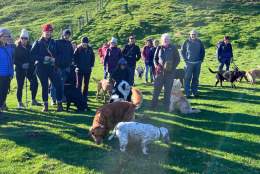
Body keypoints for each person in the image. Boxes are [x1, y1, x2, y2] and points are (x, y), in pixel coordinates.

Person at [31, 24, 63, 112]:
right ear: (43, 32)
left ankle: (59, 104)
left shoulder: (54, 42)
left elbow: (59, 54)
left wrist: (55, 59)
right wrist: (42, 58)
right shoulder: (37, 42)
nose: (48, 33)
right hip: (41, 68)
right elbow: (32, 55)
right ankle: (45, 106)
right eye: (47, 31)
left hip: (52, 67)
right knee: (44, 86)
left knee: (58, 85)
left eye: (50, 31)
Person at [151, 33, 180, 108]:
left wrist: (172, 67)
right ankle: (153, 105)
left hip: (170, 73)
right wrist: (156, 66)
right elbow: (155, 58)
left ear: (169, 40)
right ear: (162, 40)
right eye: (164, 39)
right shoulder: (159, 48)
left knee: (168, 90)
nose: (166, 40)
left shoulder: (173, 48)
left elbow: (178, 59)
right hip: (160, 72)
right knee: (157, 89)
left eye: (167, 39)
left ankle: (166, 105)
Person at [14, 29, 40, 109]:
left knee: (35, 83)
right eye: (22, 38)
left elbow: (33, 57)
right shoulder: (17, 47)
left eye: (25, 38)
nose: (24, 40)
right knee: (20, 86)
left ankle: (33, 100)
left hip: (30, 69)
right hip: (20, 69)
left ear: (28, 39)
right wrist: (21, 65)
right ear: (20, 38)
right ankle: (20, 102)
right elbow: (14, 59)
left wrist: (30, 63)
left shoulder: (30, 47)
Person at [50, 29, 73, 105]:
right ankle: (53, 99)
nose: (67, 36)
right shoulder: (57, 42)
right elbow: (53, 53)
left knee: (62, 84)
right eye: (66, 35)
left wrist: (69, 64)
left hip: (66, 67)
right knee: (54, 84)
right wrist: (55, 64)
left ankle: (60, 98)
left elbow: (71, 54)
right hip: (57, 67)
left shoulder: (69, 43)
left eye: (68, 35)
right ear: (63, 35)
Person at [181, 30, 205, 98]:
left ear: (197, 35)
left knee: (195, 78)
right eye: (192, 34)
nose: (193, 35)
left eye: (194, 34)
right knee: (187, 78)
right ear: (190, 35)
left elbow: (203, 51)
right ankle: (187, 93)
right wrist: (185, 60)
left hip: (197, 63)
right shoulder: (186, 41)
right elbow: (182, 51)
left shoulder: (199, 42)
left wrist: (201, 60)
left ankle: (195, 92)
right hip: (189, 63)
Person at [74, 37, 95, 109]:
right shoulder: (78, 49)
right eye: (83, 43)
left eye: (85, 43)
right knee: (78, 84)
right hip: (79, 70)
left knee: (86, 84)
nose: (84, 45)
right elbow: (74, 58)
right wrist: (76, 66)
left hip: (87, 70)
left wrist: (92, 65)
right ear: (81, 43)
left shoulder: (90, 49)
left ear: (87, 43)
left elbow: (93, 57)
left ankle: (84, 98)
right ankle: (78, 98)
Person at [0, 28, 14, 114]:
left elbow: (11, 61)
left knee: (4, 93)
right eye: (5, 36)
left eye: (9, 36)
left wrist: (11, 73)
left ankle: (1, 106)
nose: (7, 37)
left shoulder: (9, 47)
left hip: (7, 75)